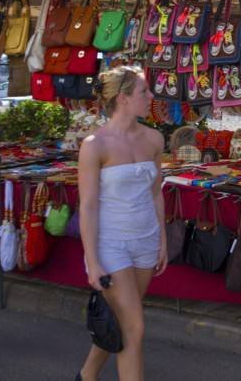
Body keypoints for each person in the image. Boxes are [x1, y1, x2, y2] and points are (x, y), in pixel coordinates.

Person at [77, 66, 166, 381]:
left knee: (122, 318)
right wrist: (91, 262)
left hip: (146, 240)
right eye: (144, 91)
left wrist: (163, 241)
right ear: (125, 98)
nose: (151, 96)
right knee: (134, 327)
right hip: (111, 244)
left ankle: (87, 375)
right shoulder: (94, 145)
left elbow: (156, 193)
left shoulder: (154, 138)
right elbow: (87, 207)